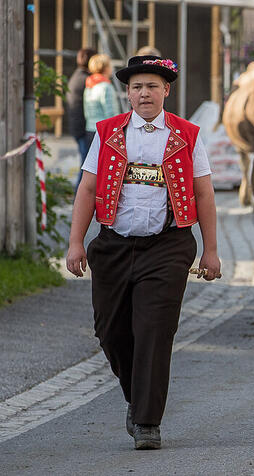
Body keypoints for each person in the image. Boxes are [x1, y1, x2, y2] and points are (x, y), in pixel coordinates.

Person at [65, 55, 221, 450]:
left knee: (154, 330)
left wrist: (211, 251)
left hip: (168, 245)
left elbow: (203, 193)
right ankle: (137, 396)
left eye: (152, 86)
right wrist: (75, 241)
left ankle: (148, 422)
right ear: (128, 93)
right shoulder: (108, 132)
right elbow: (87, 189)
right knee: (110, 330)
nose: (144, 93)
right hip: (114, 244)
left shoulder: (186, 134)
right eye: (137, 87)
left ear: (166, 90)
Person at [67, 47, 97, 184]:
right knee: (87, 169)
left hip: (77, 128)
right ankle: (78, 202)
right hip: (85, 130)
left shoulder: (77, 76)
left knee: (85, 166)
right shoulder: (87, 80)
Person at [83, 54, 121, 133]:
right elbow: (111, 113)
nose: (112, 68)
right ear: (106, 68)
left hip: (90, 128)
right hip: (103, 131)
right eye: (110, 65)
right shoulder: (106, 87)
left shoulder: (89, 85)